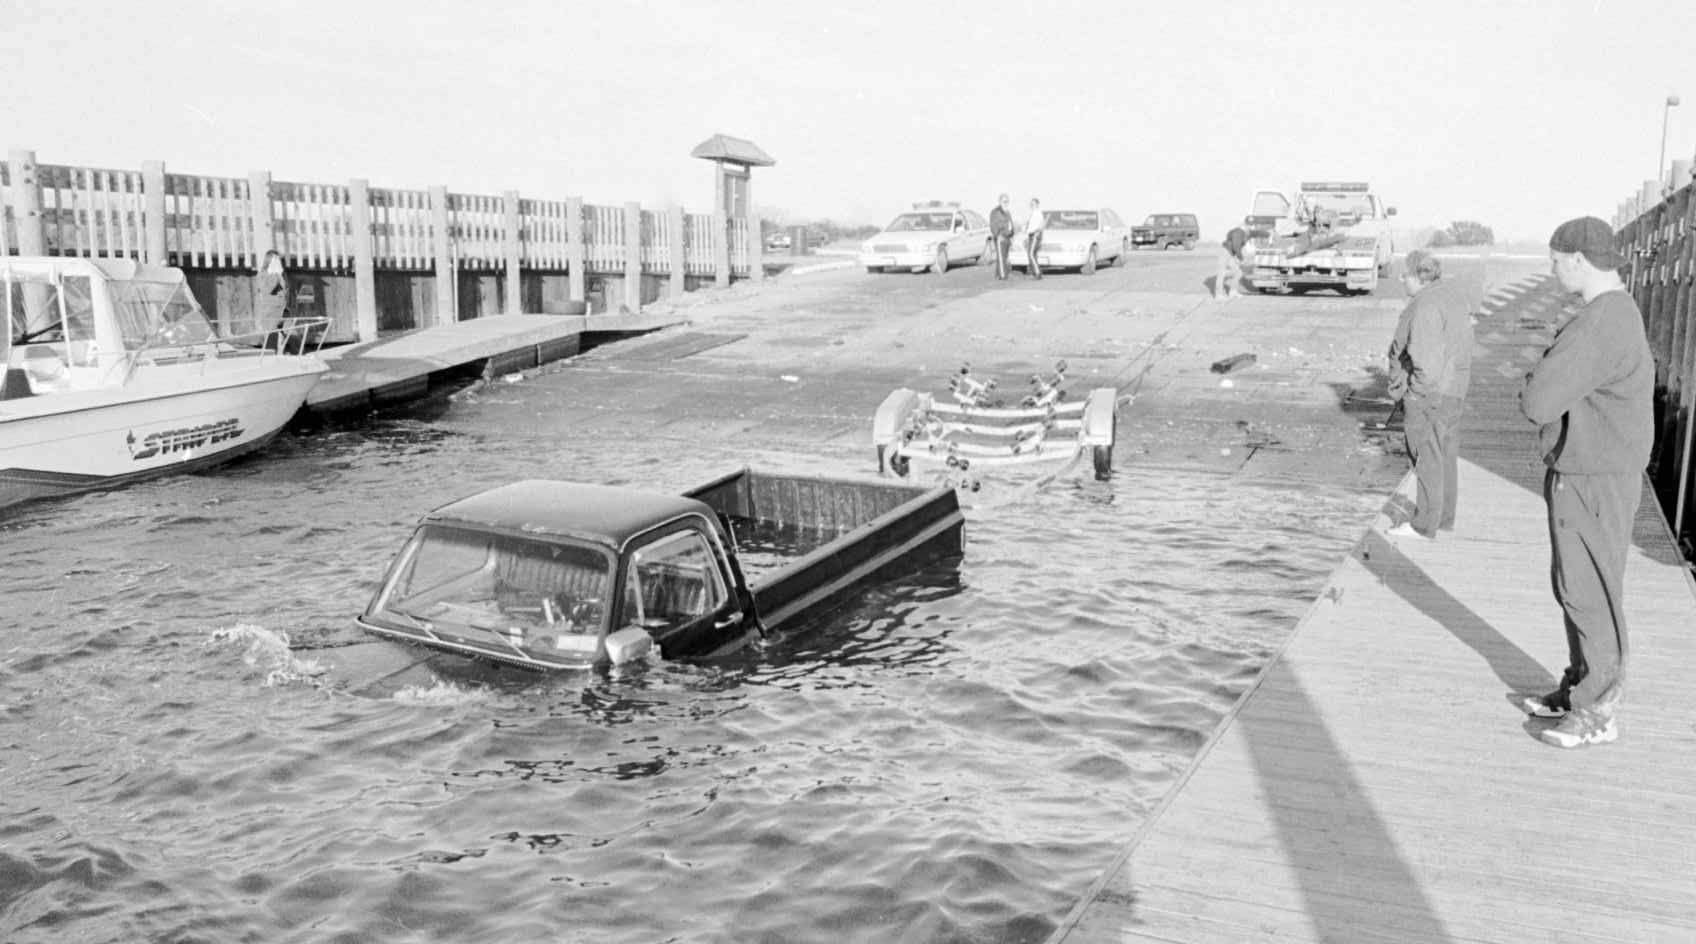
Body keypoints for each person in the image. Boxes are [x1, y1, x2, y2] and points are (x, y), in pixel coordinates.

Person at [1518, 216, 1654, 749]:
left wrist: (1535, 376)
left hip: (1594, 472)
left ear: (1577, 259)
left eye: (1554, 259)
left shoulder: (1599, 322)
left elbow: (1537, 403)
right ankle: (1580, 685)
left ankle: (1599, 708)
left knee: (1588, 587)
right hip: (1597, 468)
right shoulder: (1616, 313)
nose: (1552, 269)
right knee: (1577, 584)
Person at [1384, 249, 1473, 541]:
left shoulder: (1424, 307)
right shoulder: (1451, 296)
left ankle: (1424, 525)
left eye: (1405, 274)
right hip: (1454, 389)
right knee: (1444, 453)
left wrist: (1414, 396)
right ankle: (1443, 517)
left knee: (1425, 455)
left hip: (1430, 393)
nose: (1400, 279)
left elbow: (1425, 362)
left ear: (1419, 277)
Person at [255, 249, 291, 352]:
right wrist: (275, 275)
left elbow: (286, 290)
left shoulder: (282, 274)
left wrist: (280, 275)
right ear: (269, 261)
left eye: (279, 260)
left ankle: (298, 358)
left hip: (284, 311)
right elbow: (267, 290)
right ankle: (270, 361)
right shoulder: (262, 274)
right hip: (270, 313)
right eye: (276, 260)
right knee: (271, 342)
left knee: (293, 336)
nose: (278, 262)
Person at [1217, 227, 1249, 299]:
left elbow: (1237, 247)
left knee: (1238, 272)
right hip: (1225, 252)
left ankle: (1233, 292)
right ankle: (1219, 295)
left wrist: (1238, 258)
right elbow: (1236, 246)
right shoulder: (1239, 232)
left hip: (1231, 254)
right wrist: (1241, 259)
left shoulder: (1243, 234)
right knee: (1221, 273)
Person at [989, 194, 1014, 280]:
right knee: (1001, 257)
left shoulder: (1007, 212)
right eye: (1004, 201)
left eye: (1007, 201)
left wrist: (1012, 234)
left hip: (1007, 237)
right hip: (1000, 237)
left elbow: (1011, 224)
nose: (1006, 203)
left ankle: (998, 274)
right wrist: (997, 235)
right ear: (999, 201)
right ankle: (1003, 276)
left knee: (1005, 256)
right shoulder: (995, 212)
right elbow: (993, 225)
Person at [1024, 198, 1045, 280]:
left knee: (1031, 254)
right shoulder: (1033, 213)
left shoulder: (1038, 213)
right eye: (1031, 204)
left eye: (1033, 204)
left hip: (1035, 235)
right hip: (1031, 235)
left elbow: (1041, 225)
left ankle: (1037, 273)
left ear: (1037, 204)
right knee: (1033, 254)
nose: (1032, 205)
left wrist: (1037, 233)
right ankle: (1036, 272)